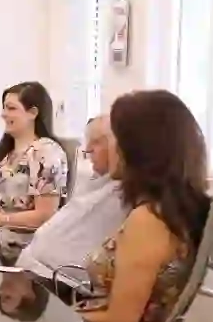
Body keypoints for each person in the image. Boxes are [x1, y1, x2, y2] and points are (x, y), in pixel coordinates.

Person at [76, 90, 211, 322]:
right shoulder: (168, 209)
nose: (108, 147)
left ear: (137, 149)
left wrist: (65, 316)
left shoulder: (148, 221)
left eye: (113, 138)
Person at [0, 81, 68, 261]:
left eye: (11, 108)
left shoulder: (45, 152)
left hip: (10, 250)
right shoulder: (5, 152)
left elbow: (45, 216)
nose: (3, 114)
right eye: (4, 108)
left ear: (33, 113)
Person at [17, 115, 129, 276]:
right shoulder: (95, 182)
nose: (87, 149)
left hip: (54, 278)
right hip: (33, 265)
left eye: (97, 142)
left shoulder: (121, 195)